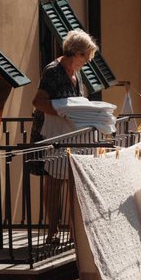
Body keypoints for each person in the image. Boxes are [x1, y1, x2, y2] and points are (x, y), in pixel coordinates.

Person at [29, 30, 99, 242]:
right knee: (54, 181)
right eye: (85, 57)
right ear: (75, 53)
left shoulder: (75, 75)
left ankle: (72, 227)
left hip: (70, 136)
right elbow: (38, 102)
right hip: (50, 135)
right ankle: (53, 230)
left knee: (71, 179)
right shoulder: (53, 71)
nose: (86, 62)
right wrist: (64, 112)